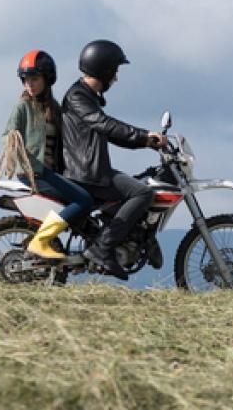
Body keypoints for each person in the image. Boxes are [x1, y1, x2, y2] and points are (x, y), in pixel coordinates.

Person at [61, 40, 167, 281]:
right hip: (86, 173)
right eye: (115, 71)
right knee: (142, 193)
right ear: (105, 70)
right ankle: (103, 248)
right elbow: (105, 124)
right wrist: (143, 136)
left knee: (140, 184)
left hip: (92, 170)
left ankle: (138, 238)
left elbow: (109, 132)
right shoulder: (78, 96)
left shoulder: (86, 96)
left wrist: (144, 142)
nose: (116, 78)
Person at [3, 49, 93, 261]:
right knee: (83, 201)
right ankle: (41, 241)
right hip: (34, 173)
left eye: (34, 79)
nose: (29, 85)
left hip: (50, 172)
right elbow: (7, 134)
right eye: (25, 80)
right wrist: (14, 141)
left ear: (47, 79)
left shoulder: (54, 108)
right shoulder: (22, 106)